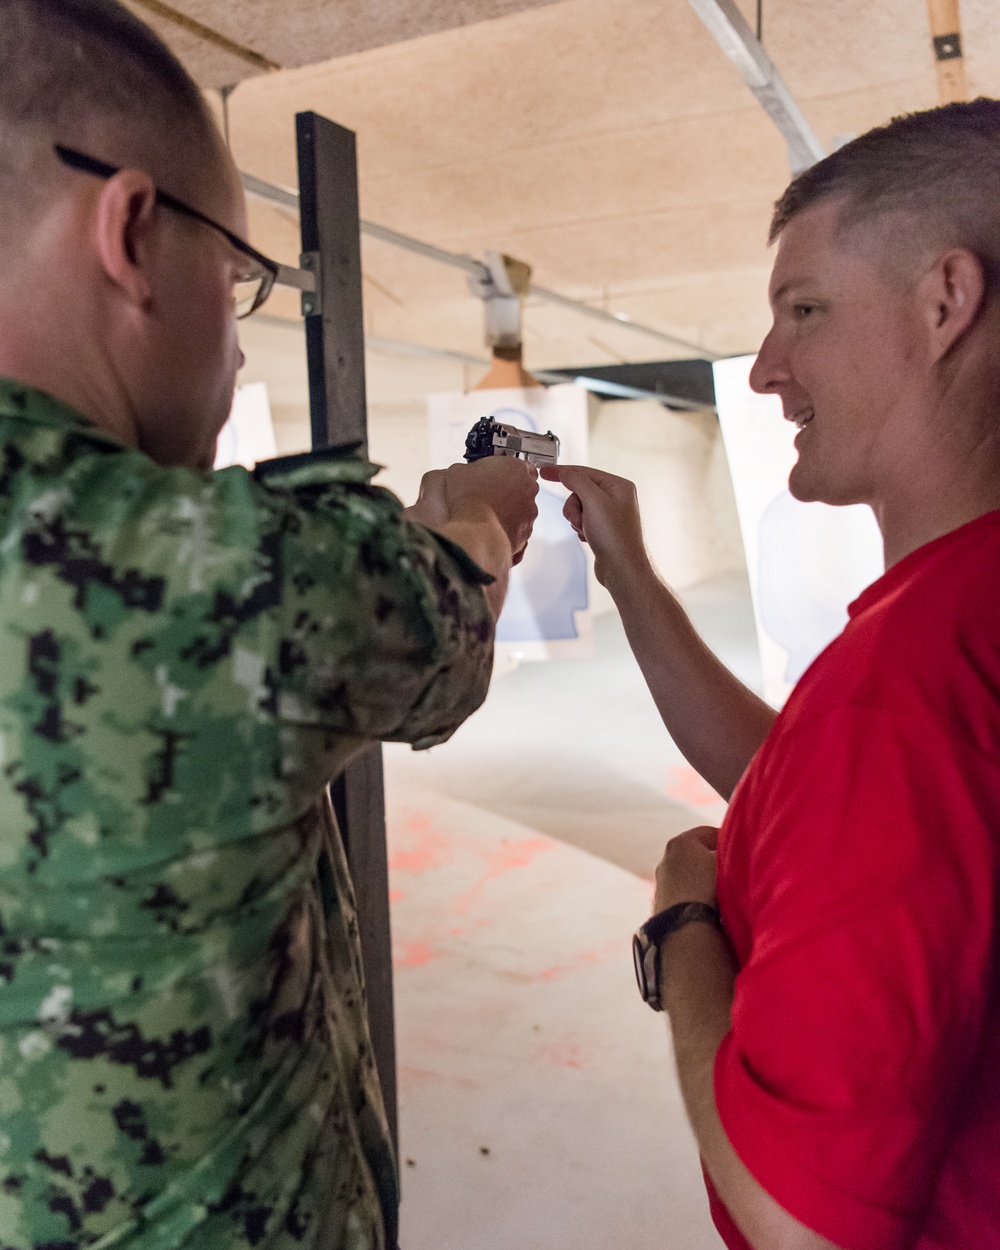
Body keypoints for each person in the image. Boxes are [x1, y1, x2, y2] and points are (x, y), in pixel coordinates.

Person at [0, 2, 538, 1247]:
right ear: (131, 231)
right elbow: (443, 631)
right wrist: (468, 516)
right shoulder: (230, 572)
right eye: (236, 275)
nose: (237, 344)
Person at [545, 100, 1000, 1250]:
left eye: (805, 310)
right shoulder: (957, 617)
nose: (763, 370)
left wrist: (682, 918)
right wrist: (634, 579)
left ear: (946, 302)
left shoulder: (900, 686)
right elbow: (818, 798)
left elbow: (797, 1214)